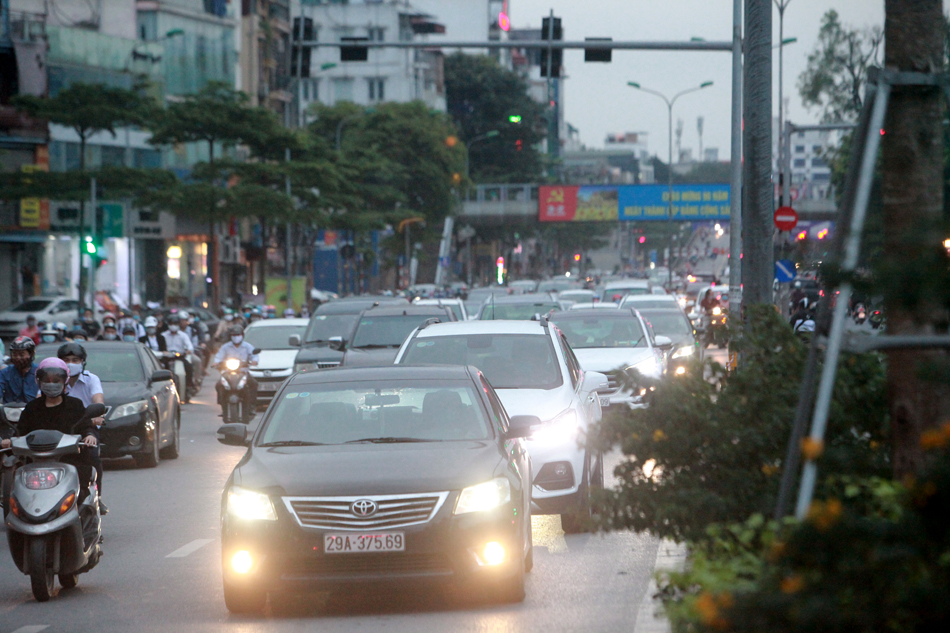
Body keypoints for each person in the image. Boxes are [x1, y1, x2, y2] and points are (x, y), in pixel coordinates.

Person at [3, 358, 99, 504]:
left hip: (69, 459)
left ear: (65, 381)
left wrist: (89, 436)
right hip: (35, 460)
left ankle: (90, 501)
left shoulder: (75, 405)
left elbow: (86, 425)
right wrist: (10, 440)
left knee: (90, 463)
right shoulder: (32, 407)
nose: (51, 384)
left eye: (56, 380)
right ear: (39, 381)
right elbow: (21, 431)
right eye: (47, 380)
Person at [57, 342, 107, 513]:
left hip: (85, 426)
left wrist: (94, 417)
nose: (71, 363)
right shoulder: (54, 380)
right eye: (66, 360)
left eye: (75, 360)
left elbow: (98, 402)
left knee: (92, 455)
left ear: (82, 362)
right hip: (56, 429)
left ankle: (96, 497)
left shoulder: (91, 379)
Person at [213, 325, 259, 422]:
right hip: (227, 372)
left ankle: (251, 406)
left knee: (254, 383)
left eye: (238, 334)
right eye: (234, 335)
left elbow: (254, 356)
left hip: (243, 372)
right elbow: (219, 356)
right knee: (218, 385)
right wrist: (216, 362)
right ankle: (222, 404)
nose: (236, 337)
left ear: (242, 335)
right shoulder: (226, 347)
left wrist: (254, 361)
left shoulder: (247, 346)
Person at [162, 314, 194, 402]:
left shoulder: (183, 335)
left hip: (179, 357)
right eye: (171, 323)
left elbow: (190, 347)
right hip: (166, 358)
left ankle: (188, 387)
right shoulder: (163, 335)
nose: (173, 326)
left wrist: (187, 351)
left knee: (189, 367)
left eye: (175, 323)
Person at [0, 337, 38, 404]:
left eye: (21, 354)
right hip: (10, 411)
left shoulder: (39, 372)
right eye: (15, 354)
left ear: (31, 354)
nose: (17, 358)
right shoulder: (5, 373)